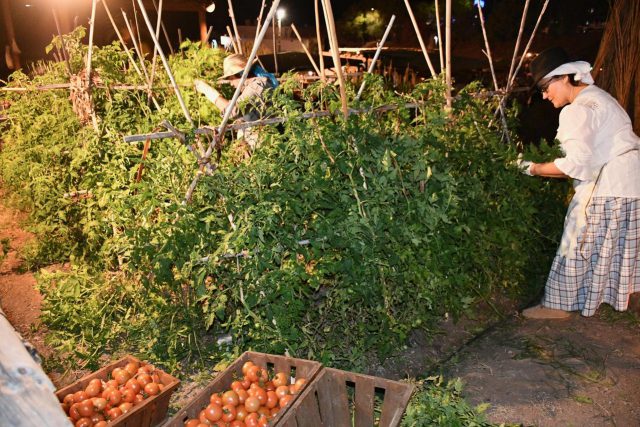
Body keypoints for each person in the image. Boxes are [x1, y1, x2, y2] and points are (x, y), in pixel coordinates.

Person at [520, 47, 640, 319]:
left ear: (564, 78)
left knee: (577, 239)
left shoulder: (576, 111)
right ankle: (616, 297)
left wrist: (533, 168)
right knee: (616, 243)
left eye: (545, 87)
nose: (544, 95)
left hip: (612, 184)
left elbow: (574, 165)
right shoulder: (601, 97)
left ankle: (557, 306)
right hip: (631, 180)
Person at [194, 53, 278, 151]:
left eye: (230, 78)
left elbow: (234, 109)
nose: (230, 83)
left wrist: (210, 93)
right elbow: (250, 111)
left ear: (240, 74)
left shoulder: (257, 85)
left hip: (261, 146)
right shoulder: (250, 88)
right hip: (254, 145)